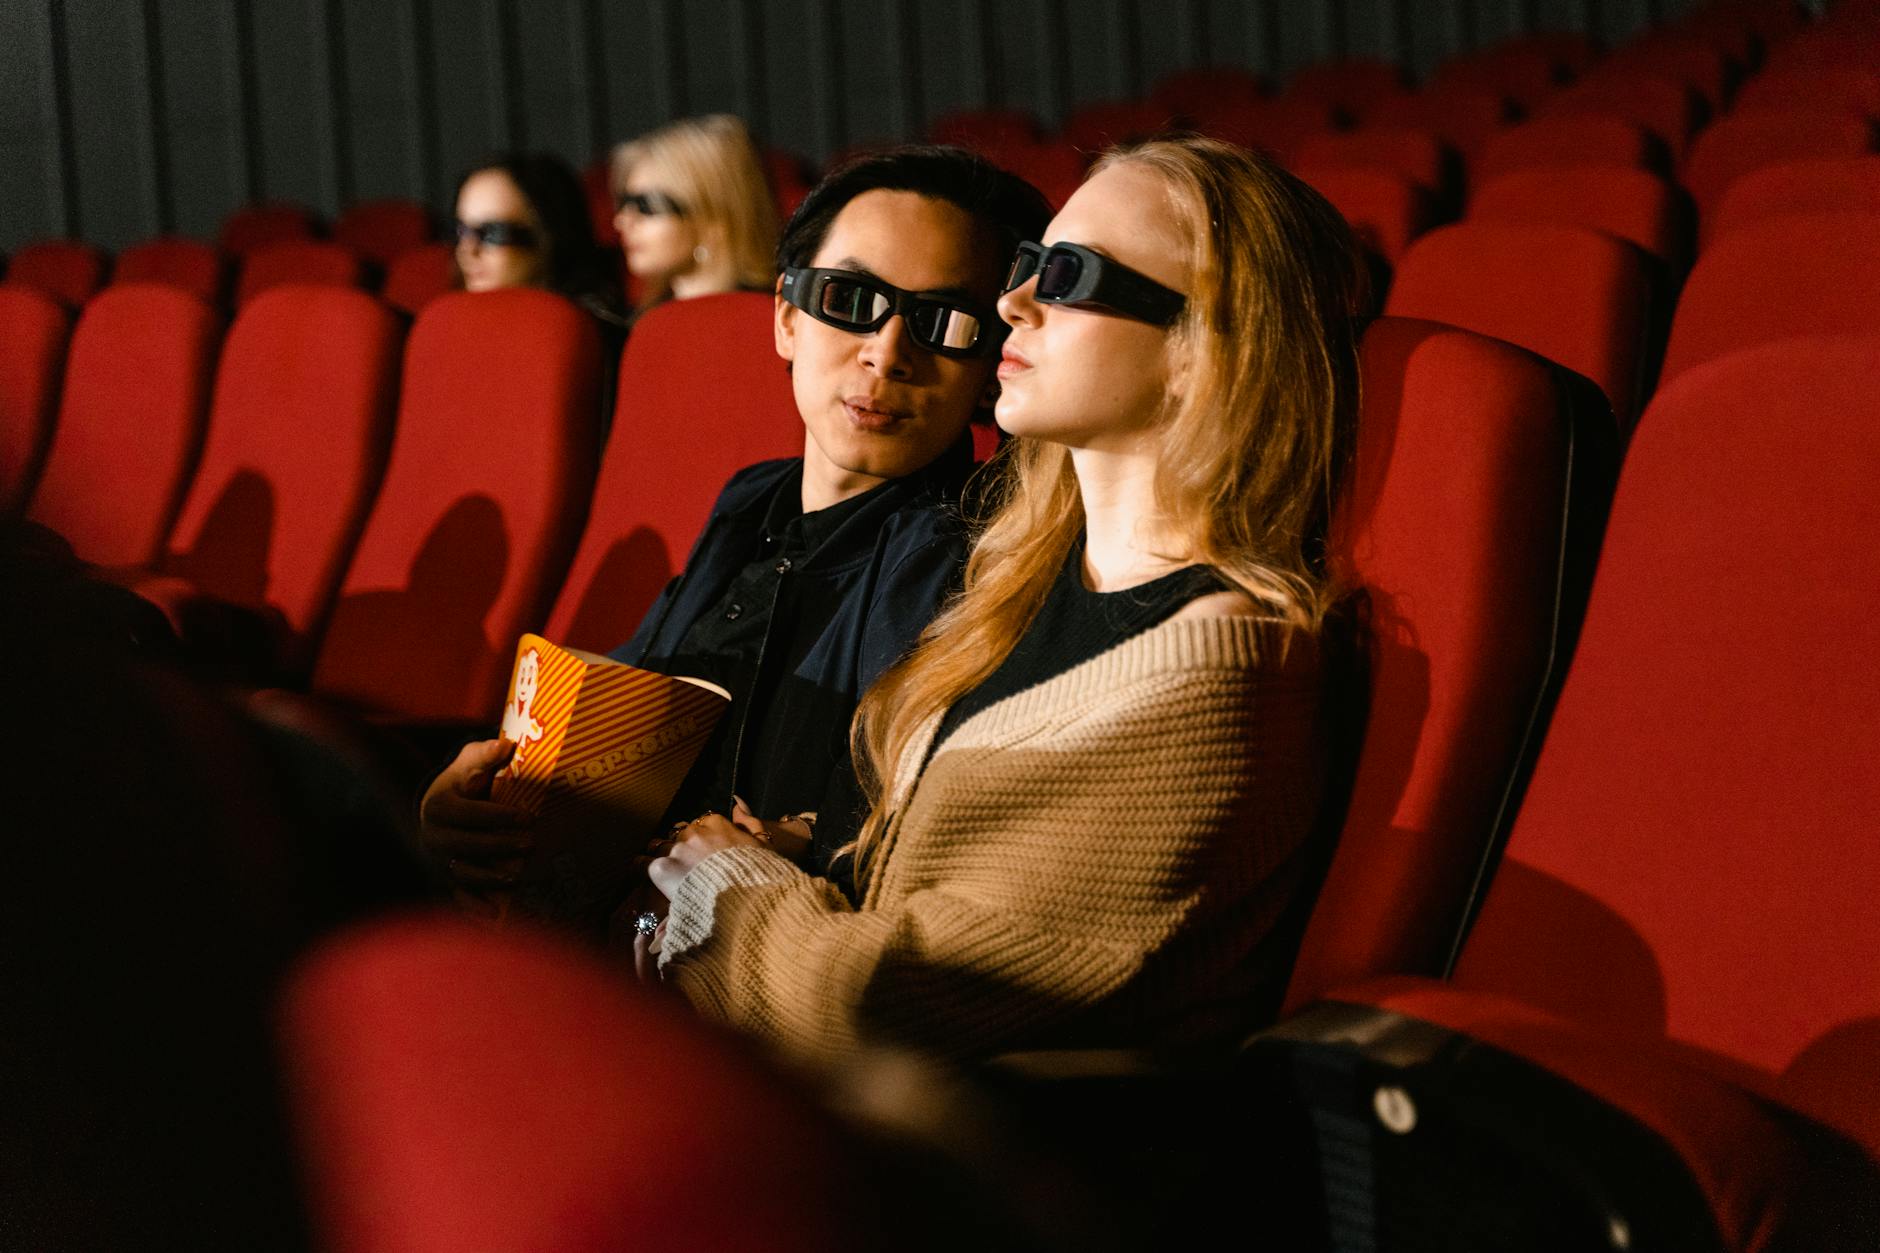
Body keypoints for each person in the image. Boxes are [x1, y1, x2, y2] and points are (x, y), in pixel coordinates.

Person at [641, 136, 1367, 1067]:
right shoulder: (1022, 582)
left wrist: (722, 887)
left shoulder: (1220, 669)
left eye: (1068, 276)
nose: (1012, 304)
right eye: (1030, 267)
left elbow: (891, 1006)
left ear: (1199, 348)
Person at [418, 147, 1053, 928]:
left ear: (992, 365)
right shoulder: (751, 501)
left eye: (942, 322)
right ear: (787, 317)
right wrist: (483, 794)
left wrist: (810, 839)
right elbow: (633, 695)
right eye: (851, 299)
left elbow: (917, 825)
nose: (887, 353)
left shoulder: (976, 552)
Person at [611, 114, 780, 313]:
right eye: (625, 204)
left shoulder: (770, 323)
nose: (621, 221)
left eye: (647, 206)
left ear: (714, 219)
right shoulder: (642, 322)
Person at [452, 152, 627, 324]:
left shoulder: (587, 331)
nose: (467, 250)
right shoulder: (453, 323)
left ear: (548, 236)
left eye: (491, 232)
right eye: (463, 231)